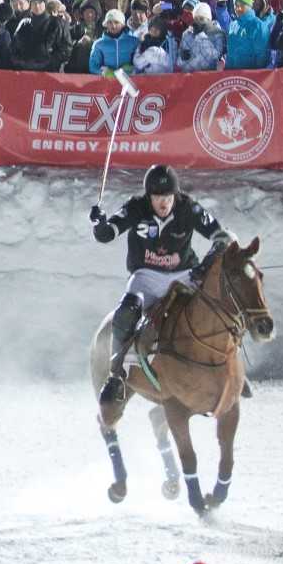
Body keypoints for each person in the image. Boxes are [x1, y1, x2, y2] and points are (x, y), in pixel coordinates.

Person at [89, 164, 232, 404]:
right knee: (126, 313)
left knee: (215, 308)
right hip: (146, 276)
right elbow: (106, 235)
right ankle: (116, 375)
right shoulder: (136, 207)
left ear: (175, 195)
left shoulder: (188, 207)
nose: (163, 202)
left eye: (168, 196)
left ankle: (231, 364)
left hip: (183, 275)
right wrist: (99, 224)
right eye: (157, 197)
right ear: (149, 196)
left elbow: (223, 236)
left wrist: (207, 265)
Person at [9, 0, 71, 72]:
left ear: (45, 4)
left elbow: (66, 50)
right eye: (34, 3)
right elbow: (14, 49)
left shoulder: (59, 24)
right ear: (30, 5)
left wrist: (49, 63)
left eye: (40, 3)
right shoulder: (24, 24)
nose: (37, 6)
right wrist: (23, 64)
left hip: (51, 72)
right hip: (26, 72)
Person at [225, 0, 271, 69]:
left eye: (242, 5)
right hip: (231, 74)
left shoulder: (259, 26)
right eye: (236, 5)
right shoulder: (232, 26)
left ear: (250, 5)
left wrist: (257, 73)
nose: (238, 8)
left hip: (250, 74)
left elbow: (262, 55)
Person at [88, 8, 139, 78]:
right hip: (106, 81)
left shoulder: (134, 42)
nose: (113, 26)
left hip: (129, 81)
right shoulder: (98, 44)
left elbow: (142, 63)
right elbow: (93, 65)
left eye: (116, 22)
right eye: (110, 22)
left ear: (122, 24)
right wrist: (103, 71)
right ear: (106, 24)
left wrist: (132, 69)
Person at [177, 1, 226, 72]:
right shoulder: (187, 33)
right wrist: (183, 58)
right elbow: (178, 62)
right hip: (189, 75)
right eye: (196, 19)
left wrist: (201, 36)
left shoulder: (217, 33)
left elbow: (217, 56)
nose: (198, 22)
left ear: (208, 19)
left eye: (201, 19)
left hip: (210, 75)